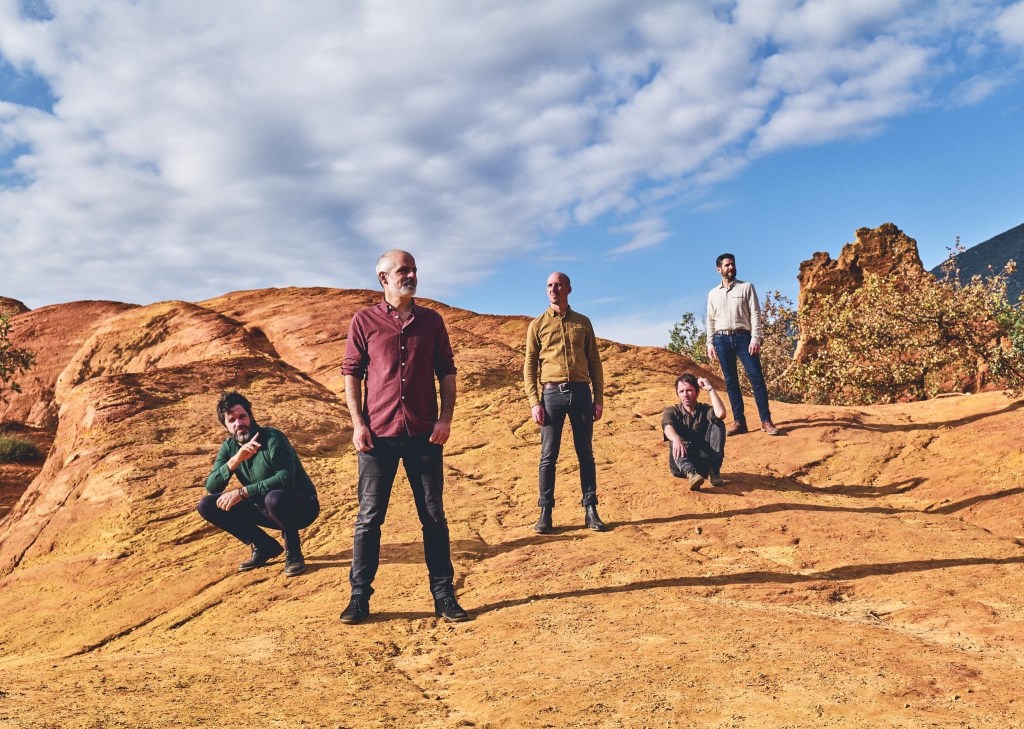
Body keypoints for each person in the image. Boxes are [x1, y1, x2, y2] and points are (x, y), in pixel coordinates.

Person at [339, 249, 468, 625]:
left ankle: (443, 595)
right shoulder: (364, 321)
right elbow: (351, 373)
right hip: (377, 436)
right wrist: (358, 424)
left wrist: (445, 420)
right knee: (369, 518)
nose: (410, 275)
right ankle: (359, 597)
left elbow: (446, 371)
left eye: (413, 269)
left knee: (434, 516)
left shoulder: (432, 321)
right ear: (383, 278)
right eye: (402, 270)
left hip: (424, 435)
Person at [197, 392, 320, 576]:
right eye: (232, 420)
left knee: (274, 497)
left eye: (242, 416)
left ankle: (294, 554)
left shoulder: (272, 437)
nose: (239, 423)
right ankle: (264, 546)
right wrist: (236, 459)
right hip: (264, 508)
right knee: (207, 505)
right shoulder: (229, 447)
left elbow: (285, 478)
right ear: (226, 426)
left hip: (301, 507)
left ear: (251, 416)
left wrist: (243, 492)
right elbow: (212, 487)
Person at [523, 271, 606, 534]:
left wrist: (598, 398)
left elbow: (594, 362)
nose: (553, 289)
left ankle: (590, 509)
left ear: (569, 288)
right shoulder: (537, 325)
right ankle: (545, 512)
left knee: (586, 454)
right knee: (548, 456)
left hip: (581, 393)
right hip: (551, 396)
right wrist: (534, 402)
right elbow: (529, 366)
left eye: (558, 285)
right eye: (549, 285)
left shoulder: (583, 322)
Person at [706, 253, 780, 436]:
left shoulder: (746, 287)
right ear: (719, 269)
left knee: (756, 378)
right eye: (727, 265)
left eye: (732, 264)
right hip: (721, 339)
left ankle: (766, 421)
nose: (731, 267)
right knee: (731, 382)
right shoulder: (713, 293)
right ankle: (739, 422)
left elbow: (755, 313)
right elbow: (710, 320)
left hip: (744, 338)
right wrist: (710, 343)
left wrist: (756, 338)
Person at [662, 374, 726, 489]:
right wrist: (676, 438)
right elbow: (667, 426)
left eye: (689, 390)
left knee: (718, 423)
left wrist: (710, 388)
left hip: (702, 463)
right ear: (677, 394)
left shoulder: (705, 410)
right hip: (681, 465)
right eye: (681, 391)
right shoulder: (672, 411)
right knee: (674, 436)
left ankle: (714, 471)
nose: (685, 394)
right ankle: (691, 474)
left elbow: (721, 414)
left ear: (697, 392)